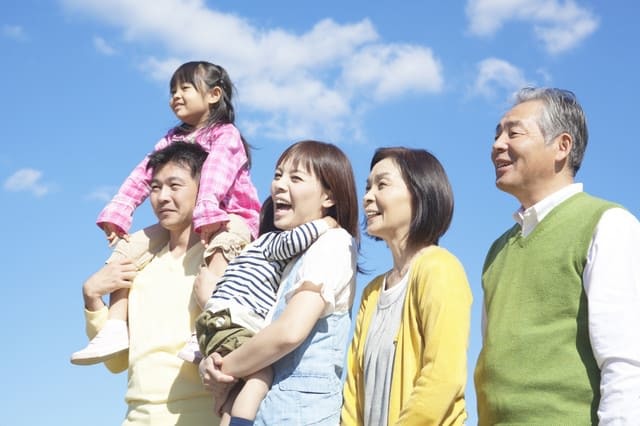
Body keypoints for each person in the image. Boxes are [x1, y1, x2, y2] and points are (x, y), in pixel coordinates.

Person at [71, 61, 260, 365]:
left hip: (231, 215)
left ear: (213, 94)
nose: (176, 96)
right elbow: (142, 175)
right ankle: (117, 327)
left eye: (185, 88)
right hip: (198, 214)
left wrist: (207, 210)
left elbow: (215, 174)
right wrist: (120, 211)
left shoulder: (225, 135)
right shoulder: (171, 139)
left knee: (219, 253)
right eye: (173, 90)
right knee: (128, 250)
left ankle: (208, 325)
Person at [474, 87, 640, 424]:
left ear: (562, 146)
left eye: (513, 132)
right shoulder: (497, 252)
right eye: (496, 134)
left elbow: (626, 362)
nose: (497, 145)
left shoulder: (607, 224)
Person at [199, 140, 360, 426]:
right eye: (277, 175)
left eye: (295, 178)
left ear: (329, 197)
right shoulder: (282, 260)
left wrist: (225, 369)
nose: (279, 186)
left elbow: (289, 332)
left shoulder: (333, 241)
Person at [78, 142, 221, 425]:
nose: (162, 197)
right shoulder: (140, 267)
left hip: (202, 416)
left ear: (203, 189)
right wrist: (92, 299)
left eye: (174, 185)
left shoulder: (217, 260)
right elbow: (116, 362)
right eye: (155, 188)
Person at [341, 147, 472, 425]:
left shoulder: (440, 268)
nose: (367, 197)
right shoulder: (372, 292)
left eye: (382, 185)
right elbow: (353, 386)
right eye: (367, 187)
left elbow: (443, 376)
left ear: (420, 192)